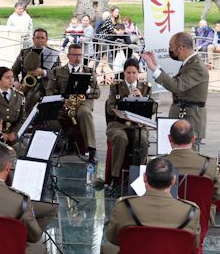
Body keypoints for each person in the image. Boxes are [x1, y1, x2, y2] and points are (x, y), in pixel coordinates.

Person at [142, 31, 209, 144]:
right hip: (183, 118)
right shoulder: (190, 63)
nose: (170, 50)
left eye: (171, 47)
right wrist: (156, 65)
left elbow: (177, 86)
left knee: (186, 158)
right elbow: (176, 82)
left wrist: (154, 69)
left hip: (190, 121)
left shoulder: (197, 67)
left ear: (181, 48)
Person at [102, 59, 151, 194]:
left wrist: (141, 99)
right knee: (120, 138)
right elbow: (110, 108)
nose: (131, 76)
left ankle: (139, 176)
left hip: (137, 125)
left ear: (138, 73)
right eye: (128, 72)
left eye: (134, 73)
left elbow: (150, 111)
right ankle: (115, 177)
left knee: (143, 140)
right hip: (118, 124)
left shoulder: (146, 88)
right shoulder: (116, 87)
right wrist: (124, 102)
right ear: (124, 72)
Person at [48, 43, 100, 161]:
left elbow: (97, 93)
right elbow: (49, 91)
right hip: (64, 103)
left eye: (80, 55)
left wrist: (88, 90)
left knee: (85, 113)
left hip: (82, 103)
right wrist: (62, 100)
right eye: (74, 55)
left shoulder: (89, 71)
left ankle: (92, 150)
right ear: (68, 56)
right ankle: (61, 143)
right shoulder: (57, 71)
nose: (77, 58)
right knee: (50, 116)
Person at [158, 119, 220, 205]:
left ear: (170, 138)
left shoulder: (157, 164)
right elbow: (217, 195)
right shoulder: (210, 163)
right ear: (193, 139)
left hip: (166, 216)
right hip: (200, 216)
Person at [13, 28, 59, 108]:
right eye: (37, 38)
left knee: (34, 96)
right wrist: (15, 81)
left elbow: (58, 72)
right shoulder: (24, 52)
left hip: (46, 86)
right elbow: (14, 70)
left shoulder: (53, 54)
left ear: (46, 39)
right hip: (26, 85)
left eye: (42, 38)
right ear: (33, 39)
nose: (40, 40)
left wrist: (44, 72)